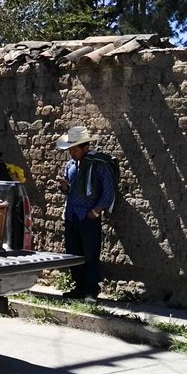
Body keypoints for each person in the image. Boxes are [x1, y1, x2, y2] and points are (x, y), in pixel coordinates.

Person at [56, 125, 115, 299]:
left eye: (74, 150)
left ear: (85, 148)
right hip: (72, 216)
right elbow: (70, 190)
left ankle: (91, 289)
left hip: (89, 217)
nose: (71, 153)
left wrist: (96, 211)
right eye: (70, 150)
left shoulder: (99, 165)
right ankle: (79, 287)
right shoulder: (70, 165)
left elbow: (108, 191)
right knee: (74, 252)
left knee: (90, 253)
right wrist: (65, 187)